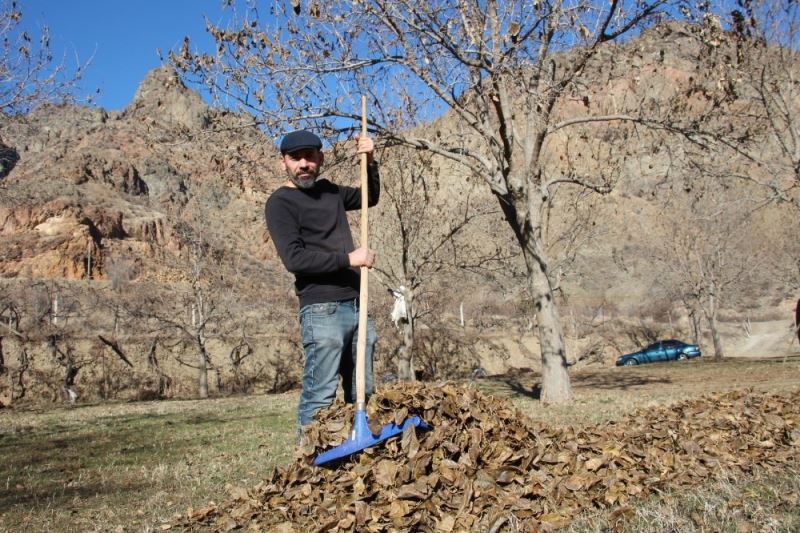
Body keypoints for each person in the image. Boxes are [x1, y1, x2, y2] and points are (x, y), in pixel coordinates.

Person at [265, 129, 379, 430]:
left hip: (357, 301)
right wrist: (348, 259)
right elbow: (295, 259)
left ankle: (355, 454)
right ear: (283, 163)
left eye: (310, 157)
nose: (303, 164)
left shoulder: (331, 192)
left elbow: (371, 196)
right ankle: (309, 467)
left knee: (363, 393)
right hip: (321, 309)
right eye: (295, 158)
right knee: (320, 396)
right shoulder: (280, 204)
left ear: (320, 159)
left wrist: (370, 159)